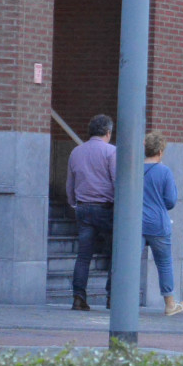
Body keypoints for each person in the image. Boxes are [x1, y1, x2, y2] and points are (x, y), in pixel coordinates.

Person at [66, 114, 116, 310]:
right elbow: (116, 180)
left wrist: (73, 202)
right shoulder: (111, 152)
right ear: (108, 132)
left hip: (83, 208)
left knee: (84, 256)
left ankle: (79, 296)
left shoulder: (76, 152)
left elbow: (70, 182)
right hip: (106, 209)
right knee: (115, 254)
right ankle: (113, 296)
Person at [142, 132, 183, 315]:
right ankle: (169, 304)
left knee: (130, 262)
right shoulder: (164, 171)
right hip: (158, 224)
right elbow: (171, 201)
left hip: (136, 223)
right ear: (160, 151)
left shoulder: (135, 169)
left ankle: (122, 300)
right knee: (164, 263)